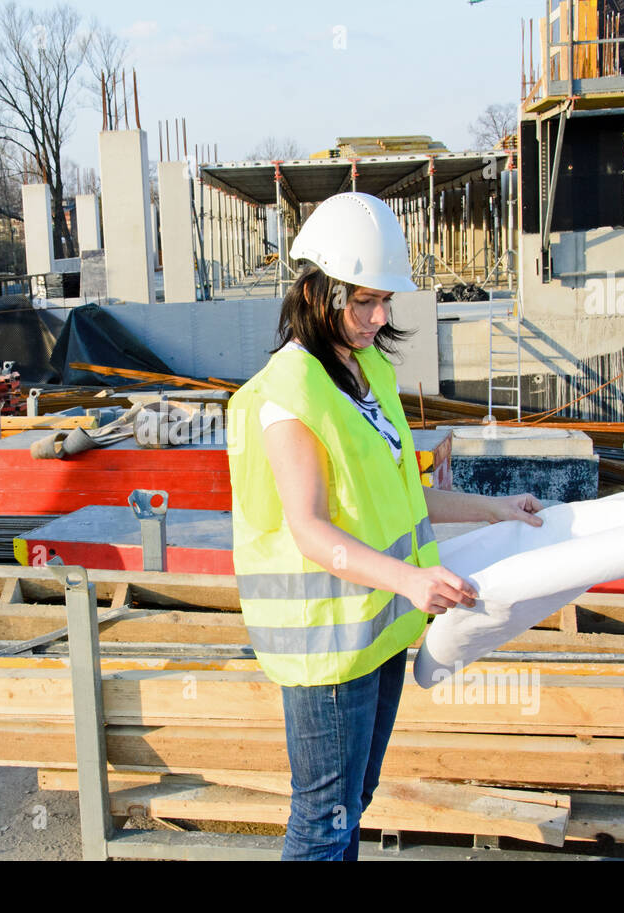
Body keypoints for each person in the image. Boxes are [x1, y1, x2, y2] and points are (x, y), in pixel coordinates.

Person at [226, 192, 543, 861]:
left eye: (385, 301)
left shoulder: (367, 372)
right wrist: (410, 577)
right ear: (318, 290)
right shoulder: (290, 391)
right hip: (329, 645)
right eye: (363, 300)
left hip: (377, 630)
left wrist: (496, 507)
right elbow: (310, 529)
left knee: (353, 803)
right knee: (322, 819)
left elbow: (400, 498)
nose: (379, 317)